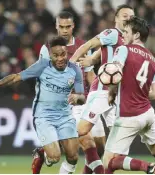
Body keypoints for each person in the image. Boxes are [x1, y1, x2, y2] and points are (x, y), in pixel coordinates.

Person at [0, 36, 84, 174]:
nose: (60, 58)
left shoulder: (75, 70)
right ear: (50, 55)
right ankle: (42, 155)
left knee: (73, 156)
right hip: (44, 116)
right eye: (56, 55)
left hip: (65, 116)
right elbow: (15, 77)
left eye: (63, 54)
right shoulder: (42, 66)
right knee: (55, 157)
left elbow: (82, 97)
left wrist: (77, 97)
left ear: (67, 52)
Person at [31, 11, 106, 174]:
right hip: (65, 104)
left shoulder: (83, 46)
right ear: (56, 27)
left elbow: (90, 74)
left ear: (73, 26)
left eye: (68, 27)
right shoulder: (47, 49)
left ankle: (43, 153)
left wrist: (98, 93)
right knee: (87, 142)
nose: (64, 30)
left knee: (100, 147)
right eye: (61, 27)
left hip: (85, 100)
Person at [104, 16, 155, 174]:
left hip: (128, 115)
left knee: (108, 162)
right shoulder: (153, 61)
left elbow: (114, 73)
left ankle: (148, 167)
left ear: (136, 35)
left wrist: (111, 89)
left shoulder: (124, 50)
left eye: (126, 31)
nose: (123, 35)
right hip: (147, 114)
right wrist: (139, 93)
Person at [70, 4, 135, 173]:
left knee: (108, 149)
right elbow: (89, 44)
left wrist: (90, 61)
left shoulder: (130, 40)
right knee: (83, 131)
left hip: (117, 95)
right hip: (101, 91)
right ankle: (47, 145)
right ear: (116, 18)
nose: (128, 18)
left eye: (131, 16)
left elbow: (96, 56)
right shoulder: (112, 34)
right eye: (125, 16)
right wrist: (72, 62)